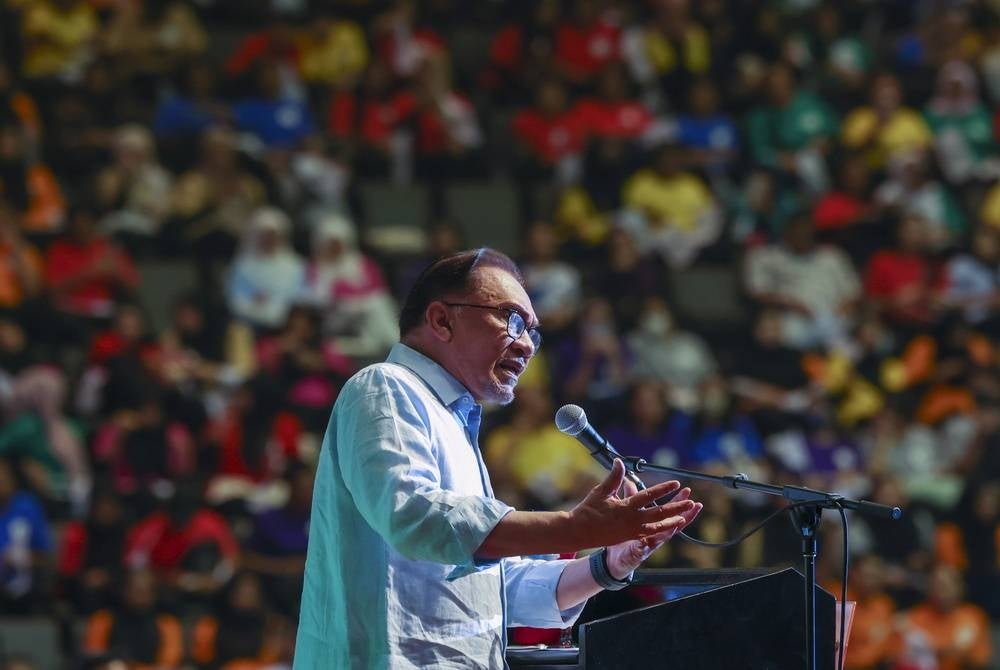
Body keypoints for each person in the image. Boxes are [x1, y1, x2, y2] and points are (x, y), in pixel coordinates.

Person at [295, 248, 702, 668]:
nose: (527, 345)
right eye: (511, 319)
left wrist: (606, 565)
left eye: (533, 331)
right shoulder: (385, 386)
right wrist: (571, 528)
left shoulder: (455, 424)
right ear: (441, 320)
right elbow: (415, 517)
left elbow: (491, 584)